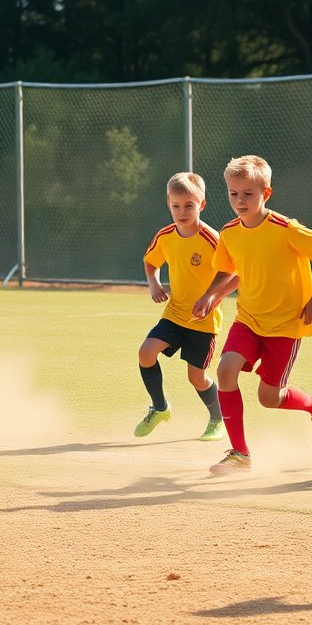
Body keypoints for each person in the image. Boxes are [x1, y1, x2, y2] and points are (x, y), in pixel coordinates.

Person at [191, 155, 312, 476]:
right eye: (233, 194)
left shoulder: (286, 229)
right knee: (227, 370)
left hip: (286, 325)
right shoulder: (229, 233)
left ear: (265, 194)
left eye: (248, 194)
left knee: (269, 398)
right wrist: (211, 295)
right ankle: (240, 453)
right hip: (249, 319)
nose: (240, 201)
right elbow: (233, 272)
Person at [135, 172, 229, 441]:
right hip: (175, 314)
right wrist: (154, 283)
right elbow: (151, 261)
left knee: (197, 378)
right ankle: (160, 408)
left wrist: (211, 297)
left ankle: (217, 418)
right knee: (146, 352)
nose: (182, 211)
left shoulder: (213, 239)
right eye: (176, 206)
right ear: (168, 205)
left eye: (189, 205)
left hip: (203, 321)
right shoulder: (165, 236)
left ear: (202, 204)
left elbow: (233, 272)